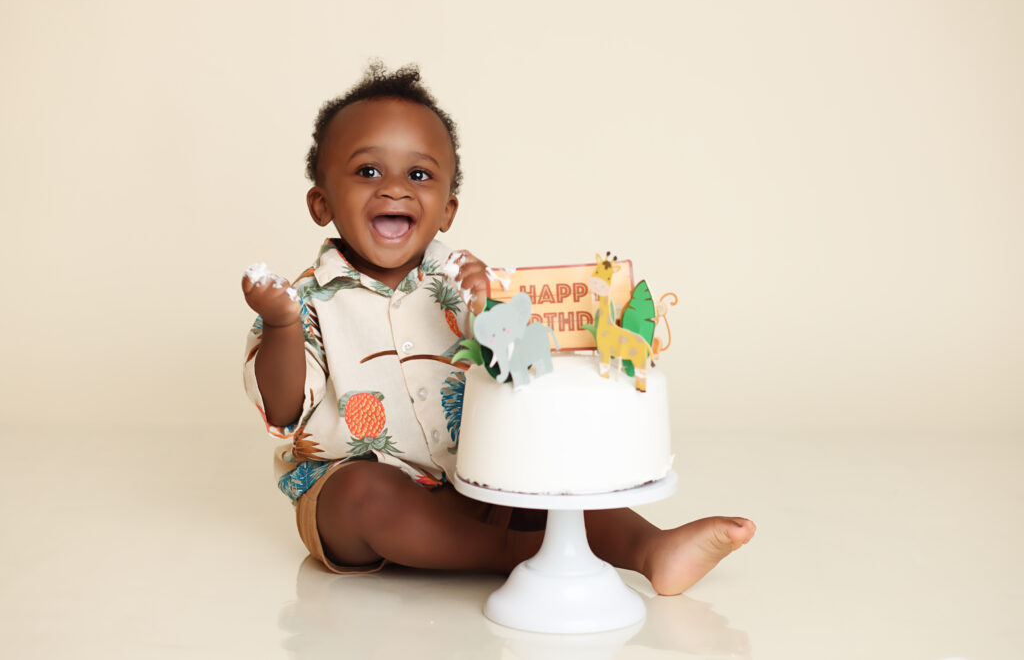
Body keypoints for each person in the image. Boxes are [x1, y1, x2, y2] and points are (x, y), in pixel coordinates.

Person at [241, 62, 755, 594]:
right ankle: (522, 555)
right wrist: (280, 325)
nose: (393, 188)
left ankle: (652, 549)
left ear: (447, 210)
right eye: (367, 171)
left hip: (476, 483)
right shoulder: (302, 301)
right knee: (364, 494)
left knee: (544, 470)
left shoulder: (467, 281)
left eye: (419, 175)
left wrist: (494, 311)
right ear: (321, 203)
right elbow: (281, 411)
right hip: (361, 500)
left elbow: (519, 370)